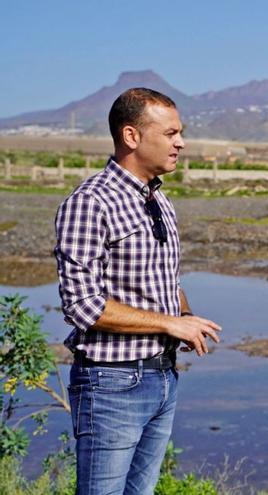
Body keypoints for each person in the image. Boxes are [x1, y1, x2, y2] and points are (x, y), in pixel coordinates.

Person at [55, 87, 221, 494]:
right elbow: (82, 305)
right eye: (170, 133)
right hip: (112, 383)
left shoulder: (160, 202)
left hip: (162, 377)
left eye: (179, 133)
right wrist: (168, 324)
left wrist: (184, 318)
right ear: (131, 136)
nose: (180, 142)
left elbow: (166, 278)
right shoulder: (91, 202)